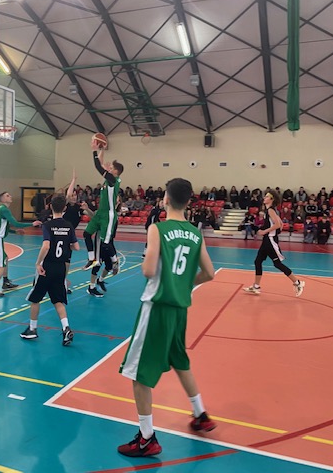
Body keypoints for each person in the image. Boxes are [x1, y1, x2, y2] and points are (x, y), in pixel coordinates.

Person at [117, 178, 216, 458]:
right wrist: (183, 283)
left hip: (157, 308)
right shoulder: (196, 234)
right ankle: (200, 415)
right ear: (188, 201)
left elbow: (148, 271)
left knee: (138, 374)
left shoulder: (157, 229)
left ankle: (147, 438)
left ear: (166, 199)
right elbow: (209, 273)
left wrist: (158, 268)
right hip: (179, 310)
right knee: (179, 361)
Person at [20, 194, 78, 345]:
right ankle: (66, 328)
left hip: (47, 268)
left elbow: (46, 246)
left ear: (51, 206)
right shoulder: (68, 226)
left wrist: (38, 263)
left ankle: (32, 329)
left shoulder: (47, 225)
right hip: (60, 268)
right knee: (58, 301)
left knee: (35, 299)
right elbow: (76, 247)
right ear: (65, 208)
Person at [243, 190, 305, 297]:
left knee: (278, 264)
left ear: (272, 199)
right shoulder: (271, 210)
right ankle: (256, 286)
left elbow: (277, 225)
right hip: (267, 240)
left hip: (270, 241)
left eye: (267, 196)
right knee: (258, 261)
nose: (264, 198)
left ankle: (298, 283)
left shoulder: (271, 210)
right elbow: (281, 224)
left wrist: (265, 232)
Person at [0, 191, 41, 298]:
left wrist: (15, 232)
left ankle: (5, 282)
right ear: (2, 199)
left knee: (5, 259)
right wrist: (32, 224)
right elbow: (15, 223)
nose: (10, 196)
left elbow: (5, 227)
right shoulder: (4, 209)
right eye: (7, 195)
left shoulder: (2, 210)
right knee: (2, 266)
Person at [82, 139, 124, 273]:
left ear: (115, 171)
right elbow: (100, 164)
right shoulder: (108, 179)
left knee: (106, 243)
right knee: (86, 234)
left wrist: (94, 150)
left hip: (108, 215)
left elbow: (98, 166)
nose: (108, 168)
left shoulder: (113, 180)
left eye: (111, 168)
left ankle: (115, 261)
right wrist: (102, 149)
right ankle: (91, 258)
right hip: (100, 213)